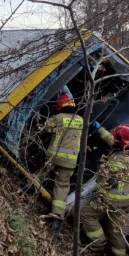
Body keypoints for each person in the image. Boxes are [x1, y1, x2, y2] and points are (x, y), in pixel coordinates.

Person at [81, 121, 129, 256]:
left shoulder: (120, 158)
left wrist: (96, 193)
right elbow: (112, 140)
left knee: (86, 213)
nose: (113, 138)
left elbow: (109, 182)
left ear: (121, 140)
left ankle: (99, 243)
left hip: (109, 200)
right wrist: (100, 129)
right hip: (124, 202)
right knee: (115, 230)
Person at [41, 92, 84, 220]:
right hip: (70, 161)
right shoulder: (80, 120)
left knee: (42, 172)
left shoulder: (59, 117)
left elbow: (45, 128)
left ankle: (28, 188)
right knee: (62, 185)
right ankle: (57, 215)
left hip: (53, 157)